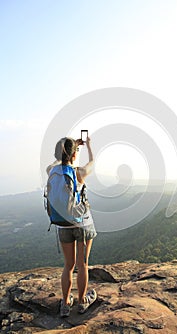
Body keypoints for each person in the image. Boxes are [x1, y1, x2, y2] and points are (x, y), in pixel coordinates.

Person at [47, 136, 97, 317]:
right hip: (83, 223)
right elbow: (93, 162)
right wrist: (87, 146)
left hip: (63, 223)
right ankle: (82, 301)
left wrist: (66, 151)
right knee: (82, 264)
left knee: (68, 265)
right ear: (74, 155)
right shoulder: (80, 172)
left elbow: (58, 162)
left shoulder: (51, 171)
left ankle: (66, 303)